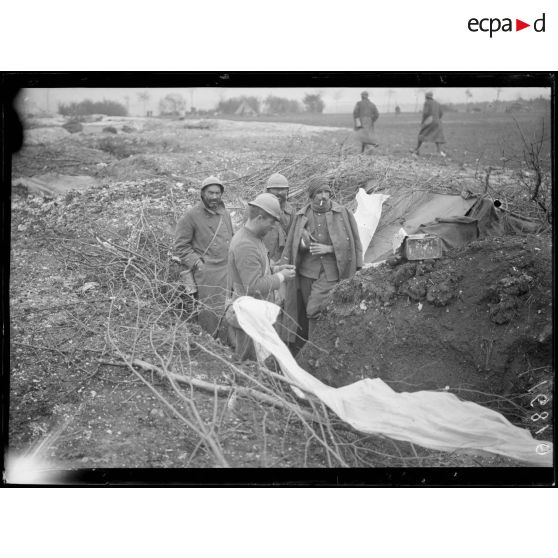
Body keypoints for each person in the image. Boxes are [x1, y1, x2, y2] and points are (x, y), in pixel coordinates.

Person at [280, 178, 363, 352]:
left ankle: (316, 350)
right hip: (306, 273)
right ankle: (303, 350)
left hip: (331, 272)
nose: (323, 196)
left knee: (314, 309)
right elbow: (291, 245)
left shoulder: (342, 214)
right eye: (319, 192)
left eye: (326, 192)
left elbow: (353, 244)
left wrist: (329, 248)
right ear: (311, 196)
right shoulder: (301, 216)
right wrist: (303, 243)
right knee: (305, 313)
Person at [227, 193, 296, 361]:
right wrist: (281, 277)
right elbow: (253, 286)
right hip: (248, 318)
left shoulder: (254, 238)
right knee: (248, 363)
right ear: (259, 218)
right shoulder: (246, 244)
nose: (273, 228)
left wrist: (276, 268)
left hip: (255, 315)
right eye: (271, 222)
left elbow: (258, 269)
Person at [174, 176, 234, 340]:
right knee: (209, 312)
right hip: (207, 274)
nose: (214, 196)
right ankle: (209, 345)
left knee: (227, 310)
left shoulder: (225, 214)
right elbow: (181, 246)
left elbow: (232, 238)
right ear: (202, 194)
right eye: (210, 193)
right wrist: (198, 264)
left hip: (227, 271)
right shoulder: (191, 216)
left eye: (217, 193)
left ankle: (225, 345)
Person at [262, 173, 295, 264]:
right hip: (262, 256)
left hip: (282, 258)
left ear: (287, 191)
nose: (279, 193)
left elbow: (292, 238)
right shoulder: (258, 208)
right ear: (268, 191)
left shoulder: (291, 212)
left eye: (282, 189)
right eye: (275, 189)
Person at [412, 91, 446, 157]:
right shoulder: (437, 103)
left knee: (422, 134)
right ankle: (439, 151)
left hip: (430, 121)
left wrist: (423, 122)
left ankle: (416, 149)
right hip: (437, 122)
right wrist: (437, 119)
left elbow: (425, 113)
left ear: (426, 97)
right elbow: (441, 113)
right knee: (437, 136)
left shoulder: (427, 103)